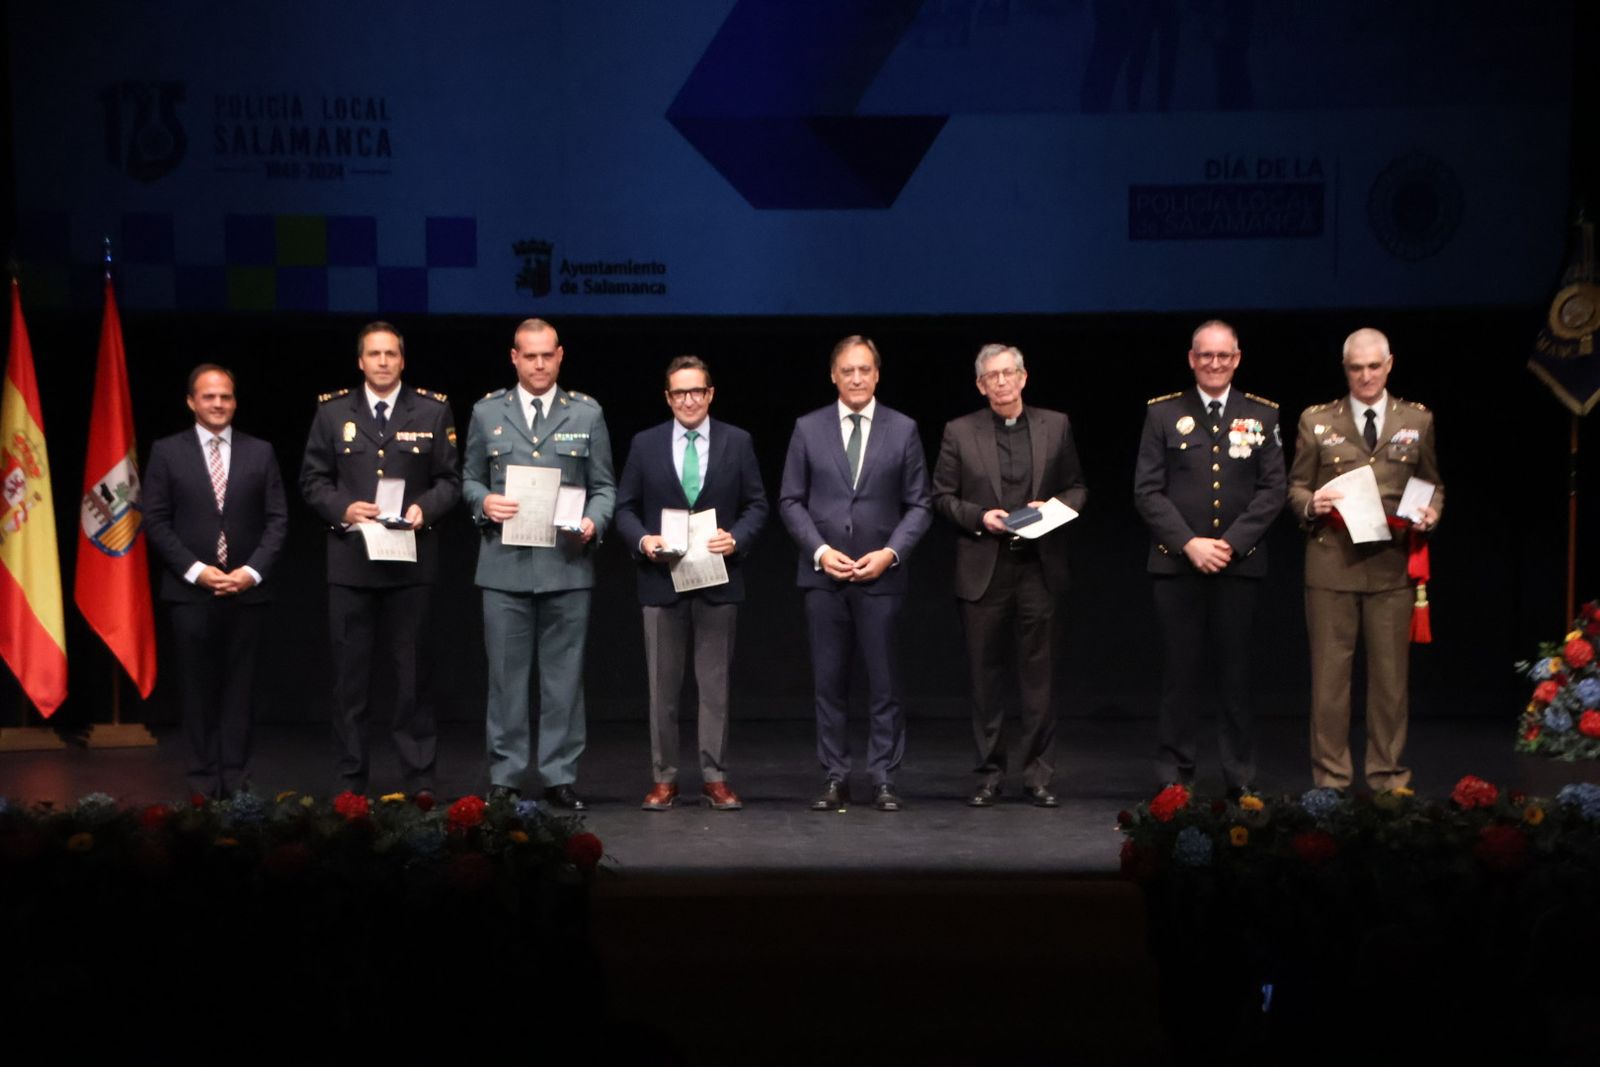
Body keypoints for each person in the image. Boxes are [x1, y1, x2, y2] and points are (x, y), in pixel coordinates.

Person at [299, 322, 460, 797]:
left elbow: (449, 481)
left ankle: (419, 778)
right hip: (352, 563)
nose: (384, 361)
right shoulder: (332, 413)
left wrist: (423, 510)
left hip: (411, 563)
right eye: (375, 354)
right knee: (350, 680)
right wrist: (342, 509)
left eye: (392, 353)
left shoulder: (432, 409)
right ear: (360, 362)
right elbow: (312, 480)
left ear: (403, 360)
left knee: (414, 677)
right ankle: (351, 778)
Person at [462, 318, 615, 810]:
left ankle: (559, 775)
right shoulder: (488, 413)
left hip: (565, 566)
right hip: (504, 566)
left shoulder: (586, 414)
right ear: (514, 358)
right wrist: (484, 502)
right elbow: (468, 478)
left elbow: (605, 487)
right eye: (530, 356)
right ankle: (505, 775)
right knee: (505, 678)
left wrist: (593, 521)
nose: (539, 364)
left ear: (560, 355)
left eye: (547, 355)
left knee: (563, 679)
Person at [778, 335, 932, 812]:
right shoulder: (808, 428)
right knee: (829, 682)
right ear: (833, 375)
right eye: (848, 370)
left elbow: (920, 504)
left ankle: (884, 775)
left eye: (865, 369)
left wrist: (890, 553)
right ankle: (835, 775)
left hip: (880, 575)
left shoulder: (903, 429)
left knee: (884, 682)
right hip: (824, 576)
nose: (857, 378)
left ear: (878, 374)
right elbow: (789, 500)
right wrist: (820, 551)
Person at [1134, 320, 1285, 796]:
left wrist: (1232, 543)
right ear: (1192, 358)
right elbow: (1147, 491)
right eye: (1206, 356)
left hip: (1238, 567)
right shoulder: (1163, 413)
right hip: (1177, 566)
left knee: (1236, 677)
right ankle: (1174, 778)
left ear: (1237, 359)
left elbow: (1272, 489)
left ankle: (1239, 776)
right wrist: (1190, 543)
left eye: (1224, 356)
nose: (1215, 364)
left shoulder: (1262, 414)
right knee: (1179, 676)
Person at [931, 344, 1087, 808]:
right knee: (985, 678)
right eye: (991, 377)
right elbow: (941, 496)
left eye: (1008, 374)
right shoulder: (959, 432)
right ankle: (989, 774)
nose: (1001, 382)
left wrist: (1052, 510)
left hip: (1039, 569)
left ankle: (1038, 774)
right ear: (981, 385)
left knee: (1038, 677)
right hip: (985, 567)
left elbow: (1078, 488)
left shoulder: (1055, 425)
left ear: (1023, 377)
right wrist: (983, 517)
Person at [1287, 327, 1441, 792]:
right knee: (1331, 682)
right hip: (1333, 563)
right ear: (1346, 369)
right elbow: (1296, 485)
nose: (1366, 376)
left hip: (1393, 566)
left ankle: (1387, 776)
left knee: (1391, 683)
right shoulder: (1317, 421)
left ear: (1389, 364)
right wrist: (1308, 505)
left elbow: (1431, 481)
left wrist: (1432, 512)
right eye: (1356, 368)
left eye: (1374, 367)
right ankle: (1331, 778)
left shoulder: (1417, 419)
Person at [614, 355, 769, 811]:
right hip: (661, 580)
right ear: (668, 397)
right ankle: (664, 777)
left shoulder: (737, 442)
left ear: (710, 394)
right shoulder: (645, 444)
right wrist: (643, 541)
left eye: (696, 391)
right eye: (679, 393)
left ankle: (714, 776)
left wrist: (736, 537)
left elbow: (758, 505)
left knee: (714, 687)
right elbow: (624, 508)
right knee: (662, 688)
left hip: (718, 580)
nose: (688, 400)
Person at [143, 364, 288, 799]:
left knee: (240, 692)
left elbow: (278, 520)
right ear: (192, 401)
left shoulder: (260, 451)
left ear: (235, 401)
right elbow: (155, 520)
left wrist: (250, 572)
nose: (218, 404)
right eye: (209, 397)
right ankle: (203, 784)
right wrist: (196, 571)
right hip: (190, 593)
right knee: (197, 691)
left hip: (248, 592)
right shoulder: (167, 452)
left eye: (225, 396)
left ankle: (237, 781)